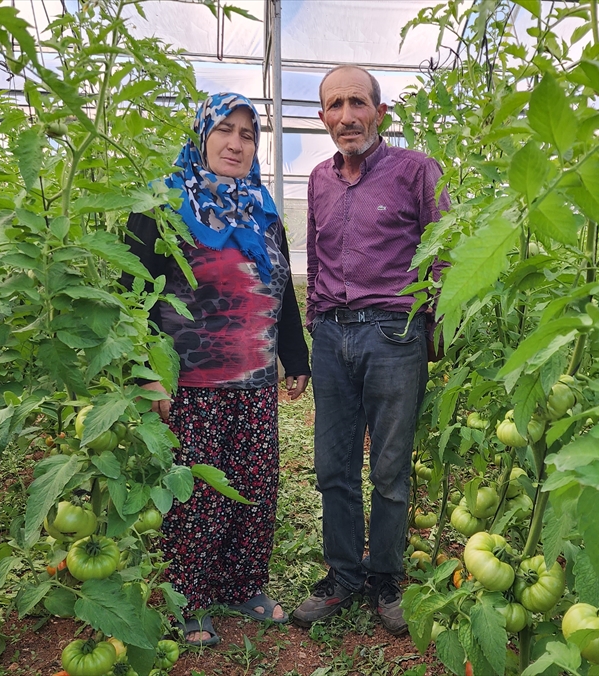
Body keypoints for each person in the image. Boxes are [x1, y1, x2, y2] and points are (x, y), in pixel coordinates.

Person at [122, 93, 310, 647]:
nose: (236, 143)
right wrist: (145, 372)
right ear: (202, 136)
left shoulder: (262, 208)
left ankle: (243, 585)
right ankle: (191, 598)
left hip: (252, 381)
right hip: (190, 383)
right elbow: (131, 297)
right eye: (224, 130)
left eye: (247, 135)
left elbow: (282, 291)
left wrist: (294, 357)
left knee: (254, 486)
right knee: (196, 496)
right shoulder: (161, 204)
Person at [291, 66, 449, 636]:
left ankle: (385, 576)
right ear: (323, 117)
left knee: (388, 467)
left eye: (358, 102)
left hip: (393, 332)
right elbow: (315, 251)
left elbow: (444, 249)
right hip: (333, 335)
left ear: (380, 113)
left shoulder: (416, 170)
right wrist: (313, 322)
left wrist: (434, 329)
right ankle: (342, 575)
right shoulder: (318, 178)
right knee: (333, 465)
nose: (346, 115)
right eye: (335, 105)